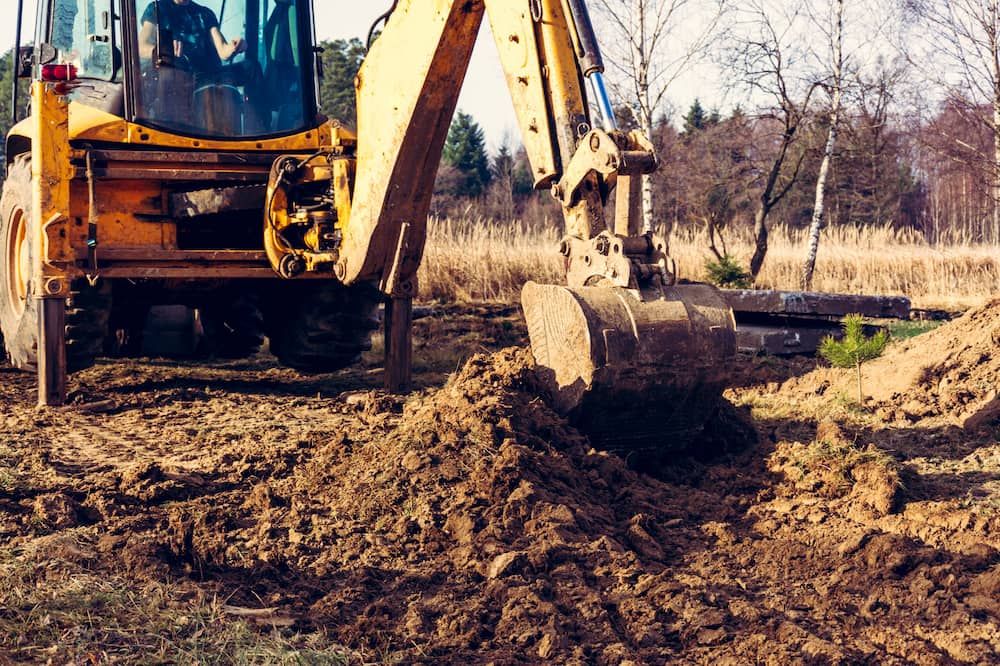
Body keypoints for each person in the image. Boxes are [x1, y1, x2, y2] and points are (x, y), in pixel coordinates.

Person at [138, 0, 246, 73]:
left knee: (251, 69)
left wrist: (234, 47)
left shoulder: (205, 13)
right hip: (176, 79)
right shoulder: (157, 9)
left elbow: (223, 51)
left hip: (209, 76)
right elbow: (141, 46)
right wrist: (164, 51)